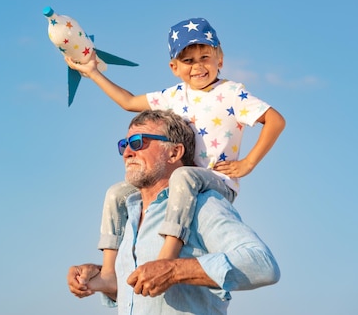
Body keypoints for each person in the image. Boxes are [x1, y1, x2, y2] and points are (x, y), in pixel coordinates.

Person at [65, 17, 285, 288]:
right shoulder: (175, 95)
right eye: (188, 61)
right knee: (117, 192)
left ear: (220, 59)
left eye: (205, 56)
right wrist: (93, 72)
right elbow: (128, 102)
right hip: (177, 186)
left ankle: (165, 259)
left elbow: (275, 120)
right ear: (174, 67)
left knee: (183, 176)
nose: (198, 66)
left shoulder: (230, 92)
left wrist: (248, 163)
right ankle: (109, 271)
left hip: (214, 182)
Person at [67, 110, 280, 314]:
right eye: (124, 145)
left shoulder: (202, 204)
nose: (127, 153)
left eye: (138, 143)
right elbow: (140, 292)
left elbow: (262, 264)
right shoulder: (129, 214)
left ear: (175, 152)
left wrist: (175, 270)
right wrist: (97, 278)